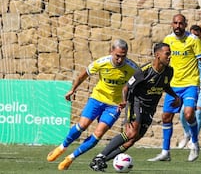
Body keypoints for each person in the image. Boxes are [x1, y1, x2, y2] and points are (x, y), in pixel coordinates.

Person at [47, 39, 139, 171]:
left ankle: (70, 158)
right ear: (111, 51)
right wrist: (73, 89)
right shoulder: (101, 63)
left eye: (123, 56)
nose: (120, 59)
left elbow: (139, 84)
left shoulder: (132, 68)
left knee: (98, 133)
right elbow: (82, 76)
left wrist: (128, 100)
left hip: (114, 105)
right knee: (82, 125)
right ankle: (62, 147)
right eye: (117, 56)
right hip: (97, 99)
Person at [88, 43, 181, 172]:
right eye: (167, 53)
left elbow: (164, 85)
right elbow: (126, 87)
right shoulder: (144, 71)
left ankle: (100, 160)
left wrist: (175, 96)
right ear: (157, 55)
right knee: (131, 132)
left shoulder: (169, 71)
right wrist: (125, 101)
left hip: (150, 108)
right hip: (136, 103)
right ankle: (100, 155)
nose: (170, 56)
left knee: (133, 140)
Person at [148, 14, 201, 162]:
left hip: (190, 84)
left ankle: (194, 143)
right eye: (175, 23)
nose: (178, 26)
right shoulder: (168, 40)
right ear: (171, 24)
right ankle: (165, 152)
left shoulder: (193, 40)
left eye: (181, 23)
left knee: (188, 114)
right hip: (172, 85)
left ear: (185, 24)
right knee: (166, 117)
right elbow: (162, 61)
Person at [178, 25, 201, 149]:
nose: (195, 37)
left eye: (197, 35)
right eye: (193, 35)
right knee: (183, 113)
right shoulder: (187, 47)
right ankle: (187, 134)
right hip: (190, 83)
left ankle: (193, 139)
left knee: (199, 111)